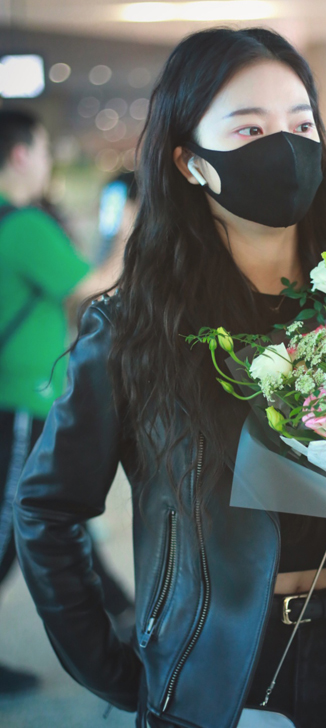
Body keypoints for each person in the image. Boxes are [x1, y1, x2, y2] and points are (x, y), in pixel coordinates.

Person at [12, 29, 326, 728]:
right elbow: (46, 510)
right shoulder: (134, 326)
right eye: (249, 128)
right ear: (190, 162)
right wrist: (117, 672)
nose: (285, 146)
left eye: (302, 125)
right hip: (213, 665)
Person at [0, 109, 134, 693]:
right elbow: (96, 285)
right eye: (44, 150)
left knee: (49, 511)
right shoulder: (23, 224)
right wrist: (125, 233)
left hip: (17, 396)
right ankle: (121, 611)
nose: (47, 162)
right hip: (18, 399)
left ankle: (121, 608)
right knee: (15, 522)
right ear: (21, 154)